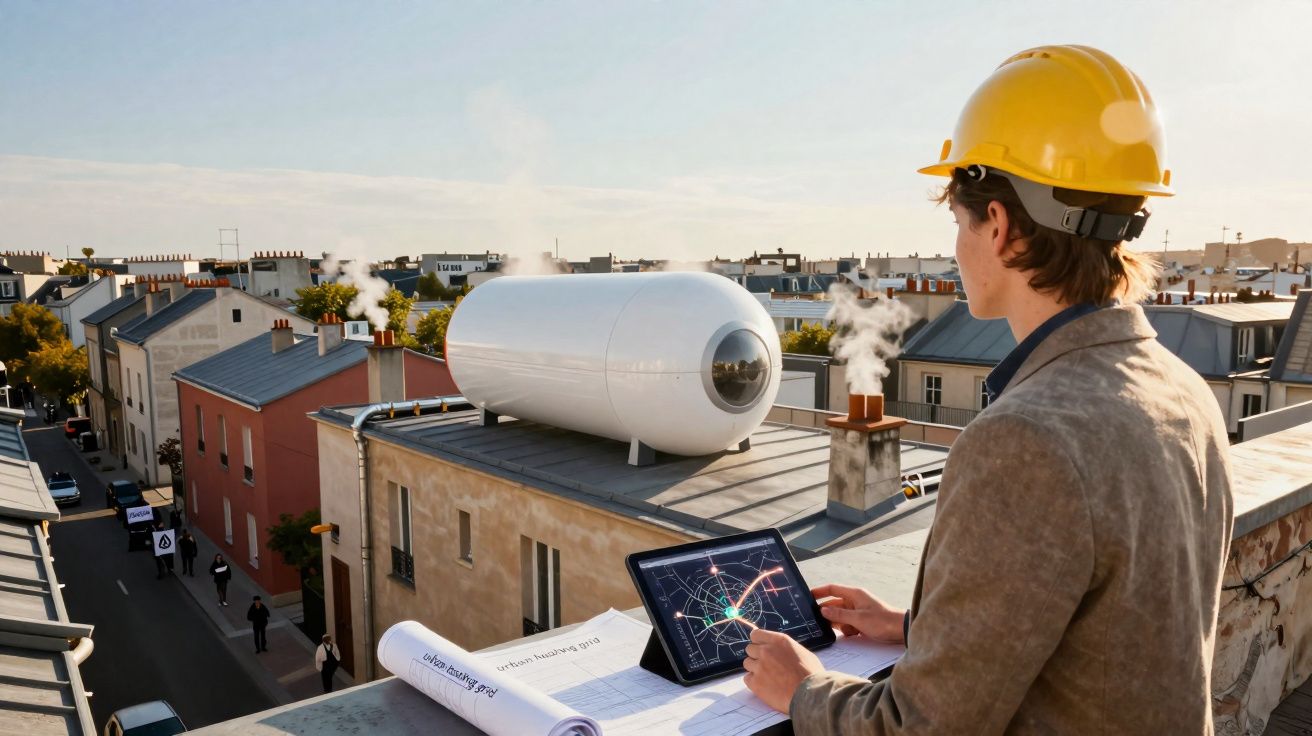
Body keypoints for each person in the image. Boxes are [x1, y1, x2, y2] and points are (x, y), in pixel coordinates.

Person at [743, 45, 1233, 734]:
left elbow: (920, 727)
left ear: (998, 227)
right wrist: (915, 627)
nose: (956, 247)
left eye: (958, 222)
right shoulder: (1182, 389)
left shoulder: (1025, 439)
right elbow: (1106, 627)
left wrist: (803, 690)